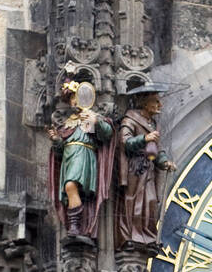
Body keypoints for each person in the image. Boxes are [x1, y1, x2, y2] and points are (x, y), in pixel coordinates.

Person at [48, 80, 114, 239]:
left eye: (76, 97)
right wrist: (57, 140)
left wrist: (96, 121)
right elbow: (59, 152)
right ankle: (74, 225)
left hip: (84, 154)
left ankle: (76, 224)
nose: (74, 101)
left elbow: (107, 134)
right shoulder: (68, 122)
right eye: (71, 98)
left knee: (71, 185)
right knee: (70, 189)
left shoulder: (91, 116)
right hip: (69, 157)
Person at [115, 85, 176, 249]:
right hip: (134, 168)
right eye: (156, 101)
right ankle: (131, 235)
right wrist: (144, 138)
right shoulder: (130, 120)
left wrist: (164, 162)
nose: (160, 105)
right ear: (144, 103)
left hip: (148, 167)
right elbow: (125, 142)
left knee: (149, 201)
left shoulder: (152, 123)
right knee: (134, 201)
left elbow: (156, 149)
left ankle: (147, 236)